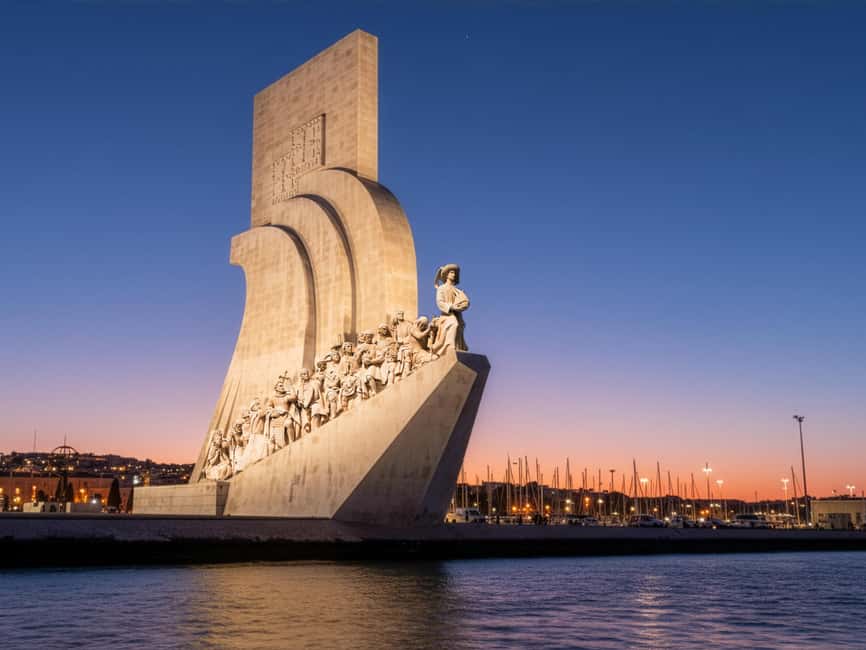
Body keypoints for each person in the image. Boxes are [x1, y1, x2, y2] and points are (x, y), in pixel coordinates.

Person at [430, 264, 469, 355]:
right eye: (451, 272)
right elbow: (440, 302)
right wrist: (451, 307)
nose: (454, 274)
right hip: (446, 316)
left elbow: (464, 302)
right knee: (453, 323)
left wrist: (460, 306)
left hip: (457, 314)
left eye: (454, 273)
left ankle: (457, 348)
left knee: (459, 325)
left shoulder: (457, 291)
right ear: (446, 274)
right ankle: (449, 348)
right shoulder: (441, 288)